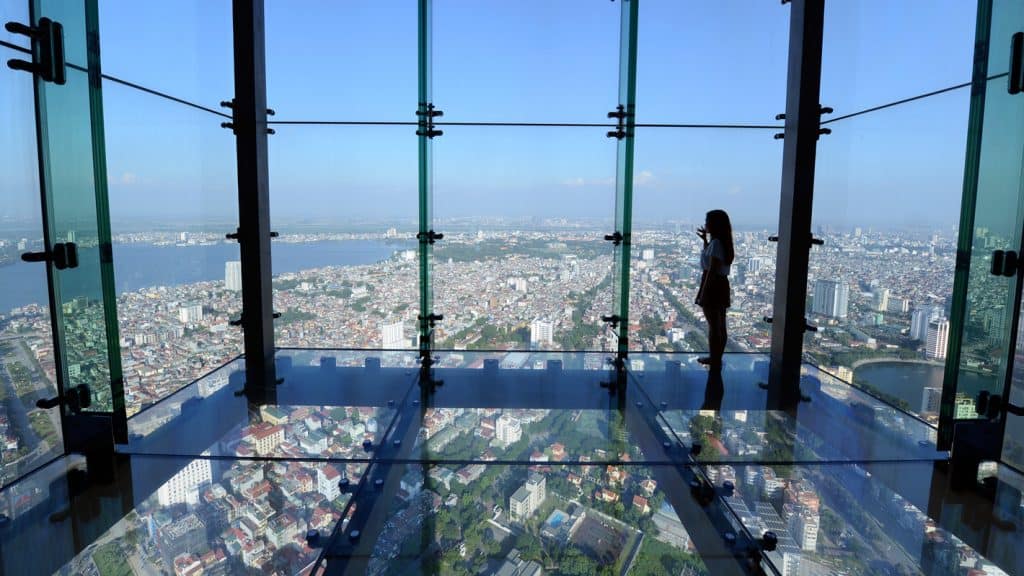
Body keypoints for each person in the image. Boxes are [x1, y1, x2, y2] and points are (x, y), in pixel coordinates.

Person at [695, 209, 734, 368]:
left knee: (714, 326)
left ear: (714, 224)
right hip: (720, 284)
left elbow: (711, 270)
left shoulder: (717, 243)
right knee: (720, 325)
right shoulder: (720, 242)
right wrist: (705, 240)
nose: (705, 224)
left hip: (713, 284)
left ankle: (714, 359)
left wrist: (704, 292)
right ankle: (716, 358)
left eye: (707, 221)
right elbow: (710, 258)